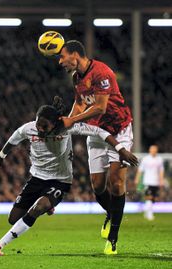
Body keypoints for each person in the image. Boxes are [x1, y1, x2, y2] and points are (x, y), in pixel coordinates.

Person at [0, 97, 138, 256]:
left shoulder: (67, 128)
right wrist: (1, 155)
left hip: (60, 180)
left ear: (54, 124)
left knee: (38, 207)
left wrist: (121, 148)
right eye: (38, 124)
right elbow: (13, 139)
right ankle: (49, 205)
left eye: (44, 126)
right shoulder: (28, 128)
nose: (40, 129)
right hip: (37, 178)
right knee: (13, 219)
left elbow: (99, 132)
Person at [58, 40, 133, 254]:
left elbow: (99, 107)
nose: (60, 61)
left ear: (75, 55)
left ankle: (113, 238)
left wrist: (74, 121)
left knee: (117, 183)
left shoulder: (102, 72)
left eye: (62, 56)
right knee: (98, 186)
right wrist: (67, 121)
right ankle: (112, 214)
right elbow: (81, 103)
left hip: (119, 129)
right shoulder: (76, 77)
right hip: (96, 133)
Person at [134, 145, 164, 221]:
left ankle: (146, 211)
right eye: (152, 149)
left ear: (156, 151)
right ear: (150, 150)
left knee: (153, 199)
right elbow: (140, 170)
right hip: (147, 181)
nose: (153, 151)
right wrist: (137, 179)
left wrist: (161, 180)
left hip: (156, 181)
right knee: (149, 197)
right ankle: (150, 214)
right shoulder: (146, 159)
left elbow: (161, 171)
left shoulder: (159, 159)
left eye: (155, 150)